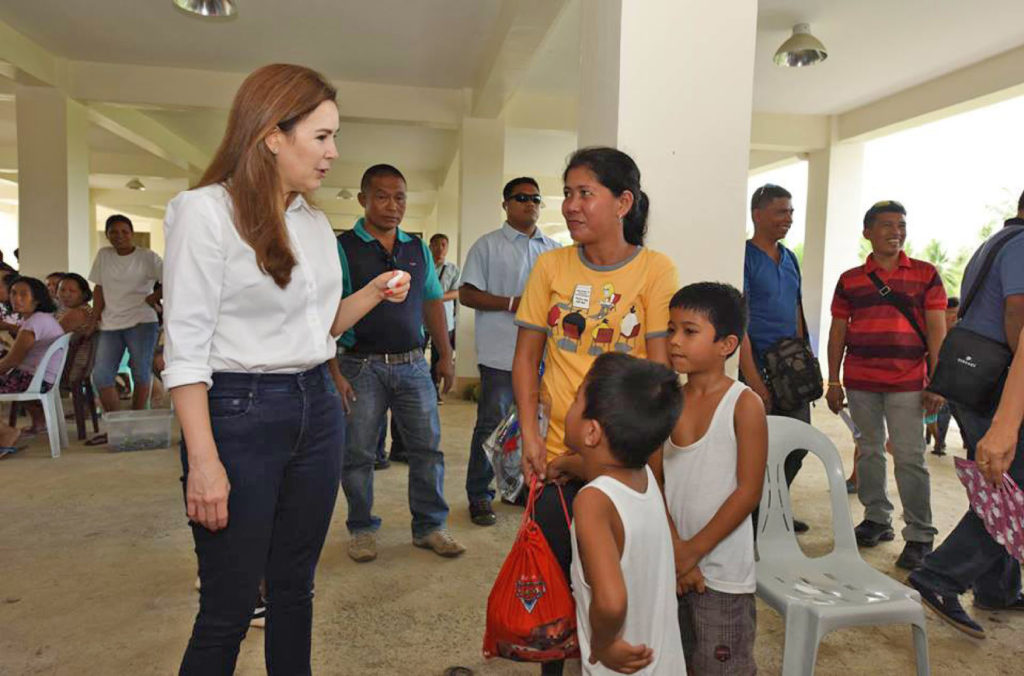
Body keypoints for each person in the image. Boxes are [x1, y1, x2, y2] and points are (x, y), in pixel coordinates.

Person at [162, 63, 411, 674]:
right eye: (322, 137)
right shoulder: (204, 212)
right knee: (228, 603)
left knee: (296, 589)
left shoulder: (312, 222)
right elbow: (185, 349)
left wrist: (376, 290)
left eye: (334, 137)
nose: (333, 153)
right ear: (274, 135)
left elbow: (320, 326)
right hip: (239, 412)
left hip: (317, 407)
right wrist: (204, 462)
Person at [513, 146, 678, 676]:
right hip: (559, 458)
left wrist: (650, 461)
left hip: (620, 459)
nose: (570, 205)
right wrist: (532, 437)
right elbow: (526, 360)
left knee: (613, 584)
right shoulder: (550, 265)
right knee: (556, 587)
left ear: (623, 201)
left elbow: (658, 376)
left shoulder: (655, 270)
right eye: (568, 193)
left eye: (585, 193)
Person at [332, 163, 464, 563]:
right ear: (363, 200)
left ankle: (429, 526)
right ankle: (361, 528)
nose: (393, 206)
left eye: (400, 197)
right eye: (382, 196)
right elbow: (327, 312)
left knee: (427, 449)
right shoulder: (344, 248)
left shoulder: (416, 248)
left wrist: (444, 355)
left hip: (413, 366)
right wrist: (333, 371)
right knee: (358, 454)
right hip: (360, 366)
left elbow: (431, 301)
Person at [909, 196, 1024, 638]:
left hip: (975, 374)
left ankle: (998, 587)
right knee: (1011, 484)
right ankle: (941, 576)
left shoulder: (999, 240)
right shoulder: (1022, 245)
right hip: (996, 380)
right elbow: (1018, 312)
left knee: (1002, 483)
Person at [826, 200, 947, 571]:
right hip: (861, 381)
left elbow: (937, 331)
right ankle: (877, 519)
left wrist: (938, 382)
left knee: (910, 457)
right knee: (869, 451)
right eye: (887, 225)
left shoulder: (926, 274)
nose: (896, 231)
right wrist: (833, 379)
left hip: (909, 383)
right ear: (868, 232)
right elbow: (838, 332)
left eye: (901, 225)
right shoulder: (850, 279)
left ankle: (920, 535)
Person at [653, 282, 766, 675]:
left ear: (726, 344)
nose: (674, 341)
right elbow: (653, 481)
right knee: (674, 660)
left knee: (721, 666)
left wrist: (692, 551)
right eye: (671, 329)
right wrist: (676, 551)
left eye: (689, 331)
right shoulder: (667, 403)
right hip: (673, 565)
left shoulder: (744, 405)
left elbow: (748, 492)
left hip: (722, 576)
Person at [566, 352, 685, 674]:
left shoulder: (591, 503)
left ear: (592, 432)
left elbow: (611, 600)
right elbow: (603, 471)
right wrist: (565, 463)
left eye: (576, 399)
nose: (569, 405)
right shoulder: (644, 475)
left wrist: (604, 644)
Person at [459, 176, 560, 525]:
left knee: (532, 426)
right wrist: (514, 302)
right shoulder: (487, 246)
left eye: (535, 198)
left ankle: (515, 489)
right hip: (502, 354)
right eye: (521, 198)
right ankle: (479, 494)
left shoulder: (554, 249)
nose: (529, 203)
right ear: (505, 204)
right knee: (492, 424)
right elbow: (467, 294)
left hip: (547, 357)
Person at [738, 183, 811, 534]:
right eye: (781, 211)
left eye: (791, 212)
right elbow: (741, 323)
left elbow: (796, 308)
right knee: (756, 453)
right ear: (758, 215)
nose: (789, 218)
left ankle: (774, 508)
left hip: (791, 369)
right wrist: (753, 379)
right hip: (758, 369)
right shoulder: (744, 257)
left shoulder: (790, 257)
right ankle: (752, 521)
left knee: (797, 445)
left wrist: (804, 358)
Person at [88, 213, 163, 439]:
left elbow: (173, 278)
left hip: (141, 320)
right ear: (108, 235)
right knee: (101, 375)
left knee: (140, 370)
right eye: (113, 232)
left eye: (124, 232)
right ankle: (119, 425)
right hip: (110, 322)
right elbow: (99, 289)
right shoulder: (104, 255)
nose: (119, 236)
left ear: (132, 234)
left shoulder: (147, 257)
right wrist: (94, 318)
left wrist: (154, 297)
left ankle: (137, 422)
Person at [0, 277, 66, 458]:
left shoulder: (34, 323)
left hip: (32, 380)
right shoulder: (41, 319)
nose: (16, 298)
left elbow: (11, 361)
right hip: (41, 378)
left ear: (36, 299)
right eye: (13, 293)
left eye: (23, 294)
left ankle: (6, 432)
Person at [429, 233, 460, 400]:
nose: (440, 248)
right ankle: (424, 387)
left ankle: (435, 391)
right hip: (420, 320)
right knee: (418, 354)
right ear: (430, 246)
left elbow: (457, 292)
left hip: (444, 320)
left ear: (447, 248)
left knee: (439, 355)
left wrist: (435, 297)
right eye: (436, 244)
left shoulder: (453, 269)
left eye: (443, 245)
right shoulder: (424, 266)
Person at [927, 296, 960, 456]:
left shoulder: (959, 332)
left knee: (943, 413)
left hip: (949, 380)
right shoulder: (934, 328)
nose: (953, 318)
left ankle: (939, 442)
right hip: (933, 378)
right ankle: (938, 441)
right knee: (934, 413)